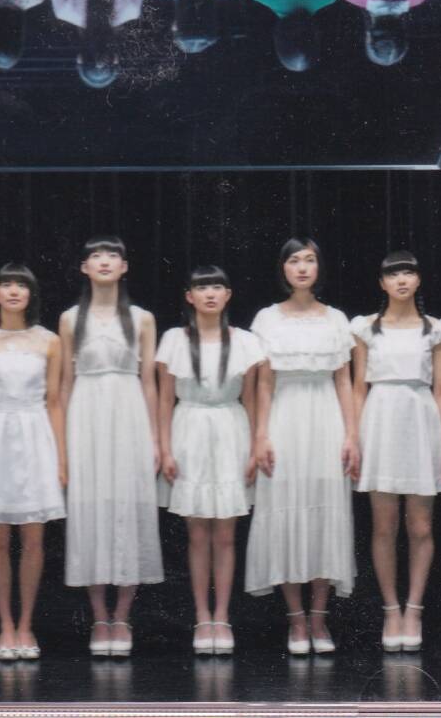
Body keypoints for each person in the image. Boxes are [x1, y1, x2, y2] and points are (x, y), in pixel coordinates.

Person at [245, 239, 358, 655]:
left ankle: (319, 618)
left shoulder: (336, 319)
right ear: (283, 269)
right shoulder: (267, 319)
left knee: (325, 514)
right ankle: (295, 619)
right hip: (284, 419)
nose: (303, 267)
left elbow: (344, 381)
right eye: (294, 260)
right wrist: (260, 435)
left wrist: (351, 434)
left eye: (310, 260)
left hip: (326, 419)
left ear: (319, 267)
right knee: (286, 513)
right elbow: (263, 384)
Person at [60, 236, 163, 657]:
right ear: (84, 267)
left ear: (124, 266)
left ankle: (122, 616)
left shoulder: (142, 319)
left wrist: (155, 438)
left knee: (126, 510)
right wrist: (62, 444)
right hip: (86, 417)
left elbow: (150, 382)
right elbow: (65, 384)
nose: (105, 262)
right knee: (91, 512)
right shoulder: (70, 319)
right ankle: (99, 616)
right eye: (96, 256)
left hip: (129, 416)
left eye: (113, 255)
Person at [351, 251, 441, 651]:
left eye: (408, 273)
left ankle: (414, 609)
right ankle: (391, 610)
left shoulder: (435, 330)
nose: (401, 280)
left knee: (421, 527)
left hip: (421, 423)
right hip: (380, 423)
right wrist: (355, 439)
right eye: (393, 275)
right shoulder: (365, 329)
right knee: (384, 525)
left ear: (418, 279)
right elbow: (358, 389)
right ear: (382, 283)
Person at [156, 265, 264, 655]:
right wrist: (165, 449)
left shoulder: (245, 341)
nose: (210, 294)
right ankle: (202, 616)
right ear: (190, 296)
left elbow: (251, 399)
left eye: (218, 286)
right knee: (198, 534)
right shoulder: (174, 340)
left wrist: (254, 447)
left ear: (228, 294)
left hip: (231, 430)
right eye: (202, 287)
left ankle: (223, 616)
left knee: (226, 534)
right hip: (189, 431)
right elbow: (164, 399)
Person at [0, 264, 65, 660]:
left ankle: (26, 624)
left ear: (31, 293)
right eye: (6, 284)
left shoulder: (49, 341)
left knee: (34, 537)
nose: (13, 291)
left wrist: (61, 458)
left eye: (21, 284)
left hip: (36, 435)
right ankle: (6, 625)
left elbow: (54, 402)